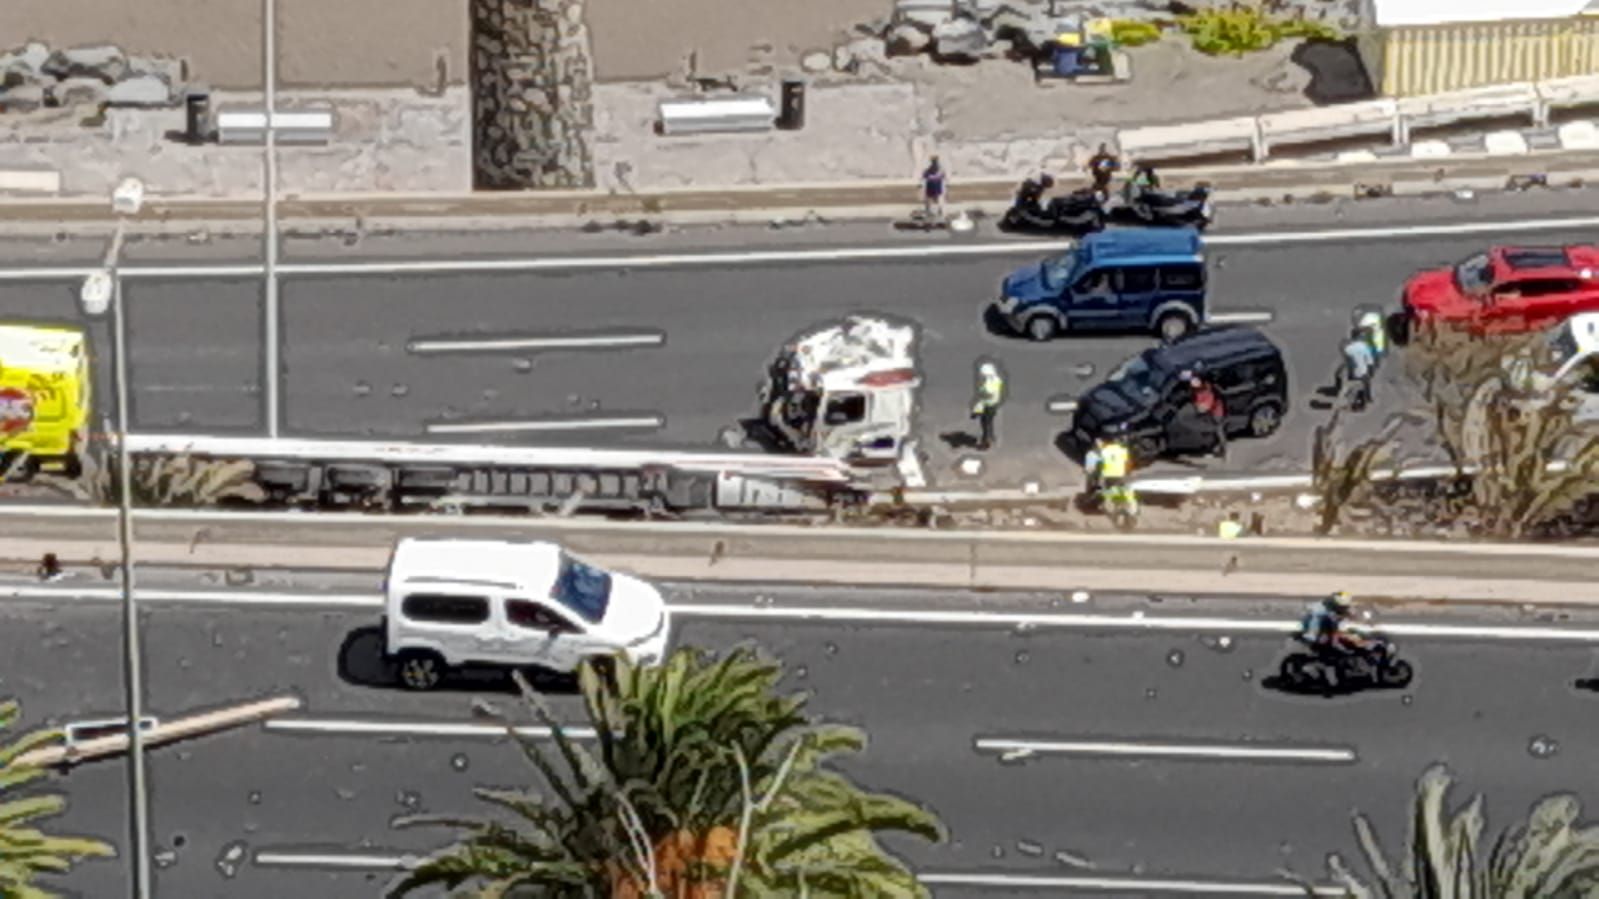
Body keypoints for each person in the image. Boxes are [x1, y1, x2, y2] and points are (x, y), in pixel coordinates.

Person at [1187, 371, 1226, 457]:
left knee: (1217, 430)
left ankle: (1222, 450)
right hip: (1212, 411)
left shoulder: (1208, 392)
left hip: (1216, 413)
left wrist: (1197, 406)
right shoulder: (1202, 387)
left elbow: (1203, 407)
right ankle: (1218, 449)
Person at [1336, 328, 1376, 411]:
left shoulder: (1348, 348)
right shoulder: (1365, 347)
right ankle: (1367, 398)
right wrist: (1371, 371)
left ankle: (1344, 402)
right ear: (1359, 337)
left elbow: (1346, 361)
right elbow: (1370, 361)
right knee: (1367, 382)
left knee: (1347, 386)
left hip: (1351, 373)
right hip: (1362, 373)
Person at [971, 361, 1005, 450]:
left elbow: (989, 393)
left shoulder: (994, 380)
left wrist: (983, 393)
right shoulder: (991, 379)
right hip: (988, 404)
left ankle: (986, 441)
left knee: (986, 423)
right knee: (985, 423)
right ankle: (988, 438)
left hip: (990, 405)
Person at [921, 156, 947, 220]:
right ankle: (934, 211)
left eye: (934, 161)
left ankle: (934, 211)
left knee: (933, 200)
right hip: (934, 187)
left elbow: (925, 176)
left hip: (934, 187)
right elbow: (925, 176)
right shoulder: (935, 169)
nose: (934, 162)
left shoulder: (930, 170)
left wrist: (932, 177)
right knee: (934, 200)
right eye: (934, 161)